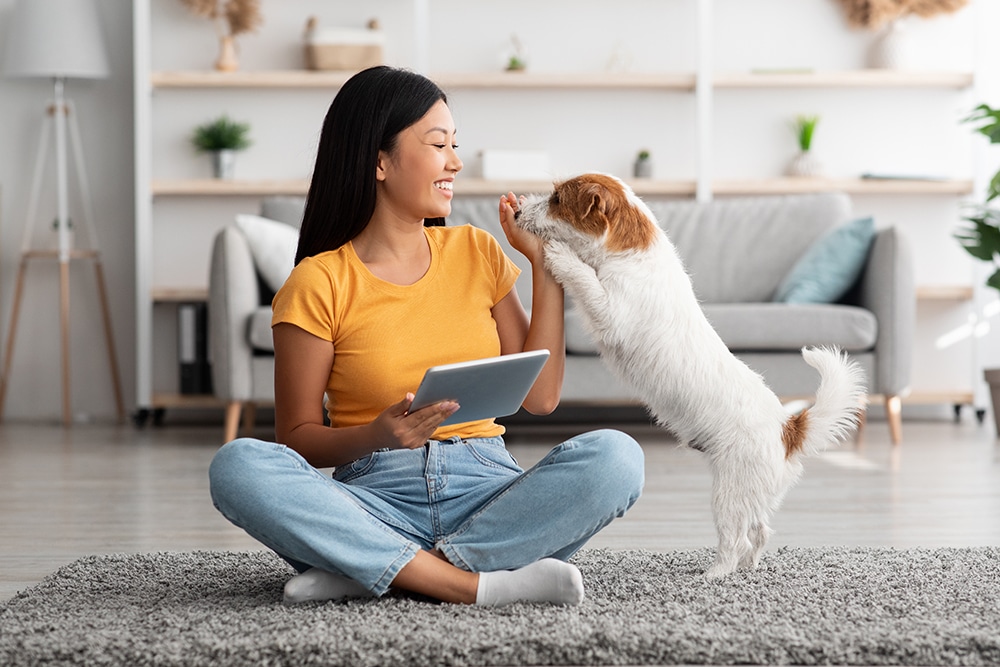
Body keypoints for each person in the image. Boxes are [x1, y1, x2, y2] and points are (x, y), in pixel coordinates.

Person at [208, 66, 644, 607]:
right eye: (439, 144)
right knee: (239, 465)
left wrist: (543, 264)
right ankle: (467, 583)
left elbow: (542, 396)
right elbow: (297, 437)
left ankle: (374, 568)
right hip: (373, 498)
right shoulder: (318, 281)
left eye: (454, 145)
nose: (455, 162)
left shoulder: (476, 251)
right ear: (380, 161)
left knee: (617, 456)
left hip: (487, 492)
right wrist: (378, 435)